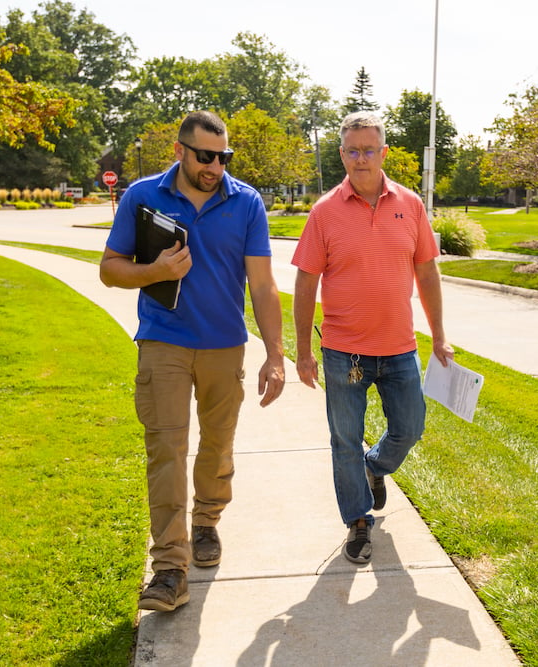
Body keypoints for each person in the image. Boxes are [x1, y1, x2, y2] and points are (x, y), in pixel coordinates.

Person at [100, 110, 285, 612]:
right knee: (165, 448)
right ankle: (168, 570)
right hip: (164, 340)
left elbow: (264, 286)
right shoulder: (143, 196)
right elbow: (109, 269)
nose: (215, 167)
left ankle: (206, 521)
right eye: (206, 156)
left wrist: (276, 354)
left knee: (217, 444)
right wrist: (153, 269)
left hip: (225, 343)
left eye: (223, 157)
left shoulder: (245, 202)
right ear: (180, 151)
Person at [291, 111, 453, 565]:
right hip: (344, 351)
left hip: (400, 347)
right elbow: (305, 283)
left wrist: (439, 336)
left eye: (369, 150)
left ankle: (373, 467)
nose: (361, 159)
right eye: (352, 150)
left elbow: (426, 271)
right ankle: (358, 522)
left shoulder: (410, 204)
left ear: (383, 153)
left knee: (410, 427)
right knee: (344, 439)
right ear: (342, 154)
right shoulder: (324, 212)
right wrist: (303, 352)